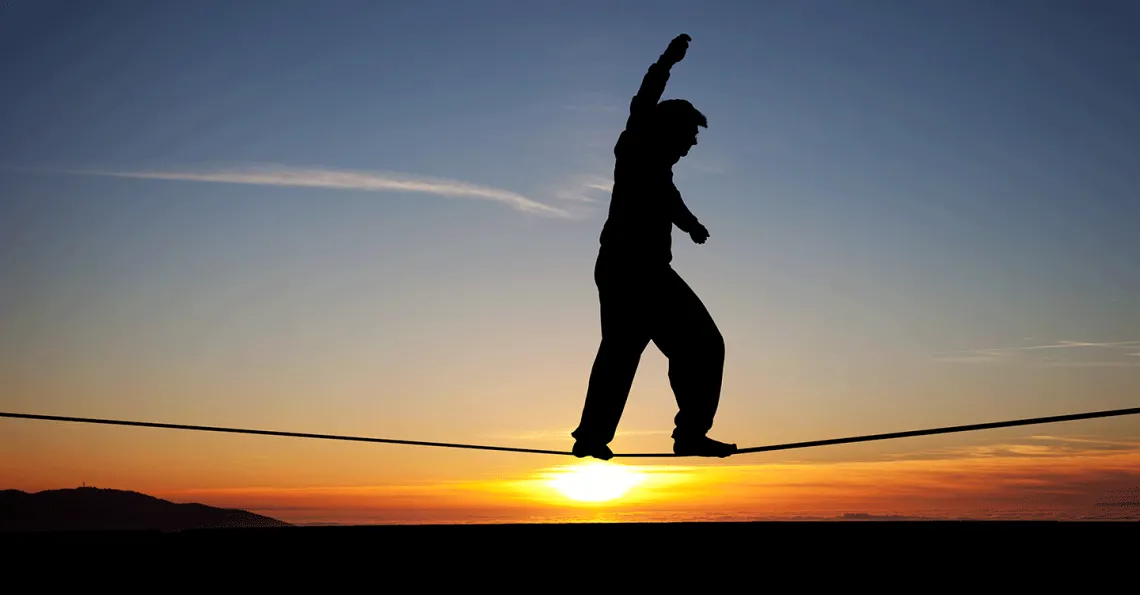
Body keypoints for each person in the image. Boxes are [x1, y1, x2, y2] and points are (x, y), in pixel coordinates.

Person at [571, 34, 737, 460]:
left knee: (625, 351)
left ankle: (594, 436)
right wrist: (667, 61)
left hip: (631, 270)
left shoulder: (658, 171)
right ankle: (686, 434)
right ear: (670, 130)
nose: (691, 146)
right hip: (634, 270)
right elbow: (644, 100)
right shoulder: (636, 146)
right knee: (698, 345)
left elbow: (670, 200)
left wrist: (691, 225)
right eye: (688, 137)